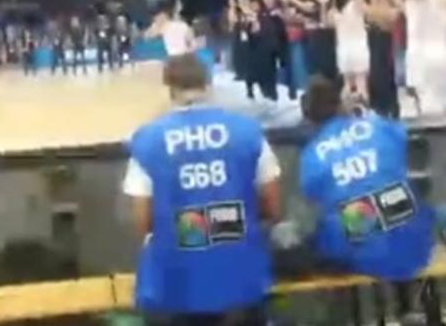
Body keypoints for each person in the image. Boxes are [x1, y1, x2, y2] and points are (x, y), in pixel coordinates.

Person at [123, 53, 281, 325]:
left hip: (174, 285)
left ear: (169, 88)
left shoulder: (147, 141)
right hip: (241, 278)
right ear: (208, 84)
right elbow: (273, 206)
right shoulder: (249, 132)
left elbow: (143, 221)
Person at [299, 76, 434, 281]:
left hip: (364, 252)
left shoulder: (311, 154)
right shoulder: (378, 125)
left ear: (309, 119)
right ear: (340, 105)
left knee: (328, 227)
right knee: (410, 201)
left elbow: (312, 194)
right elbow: (403, 140)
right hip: (414, 238)